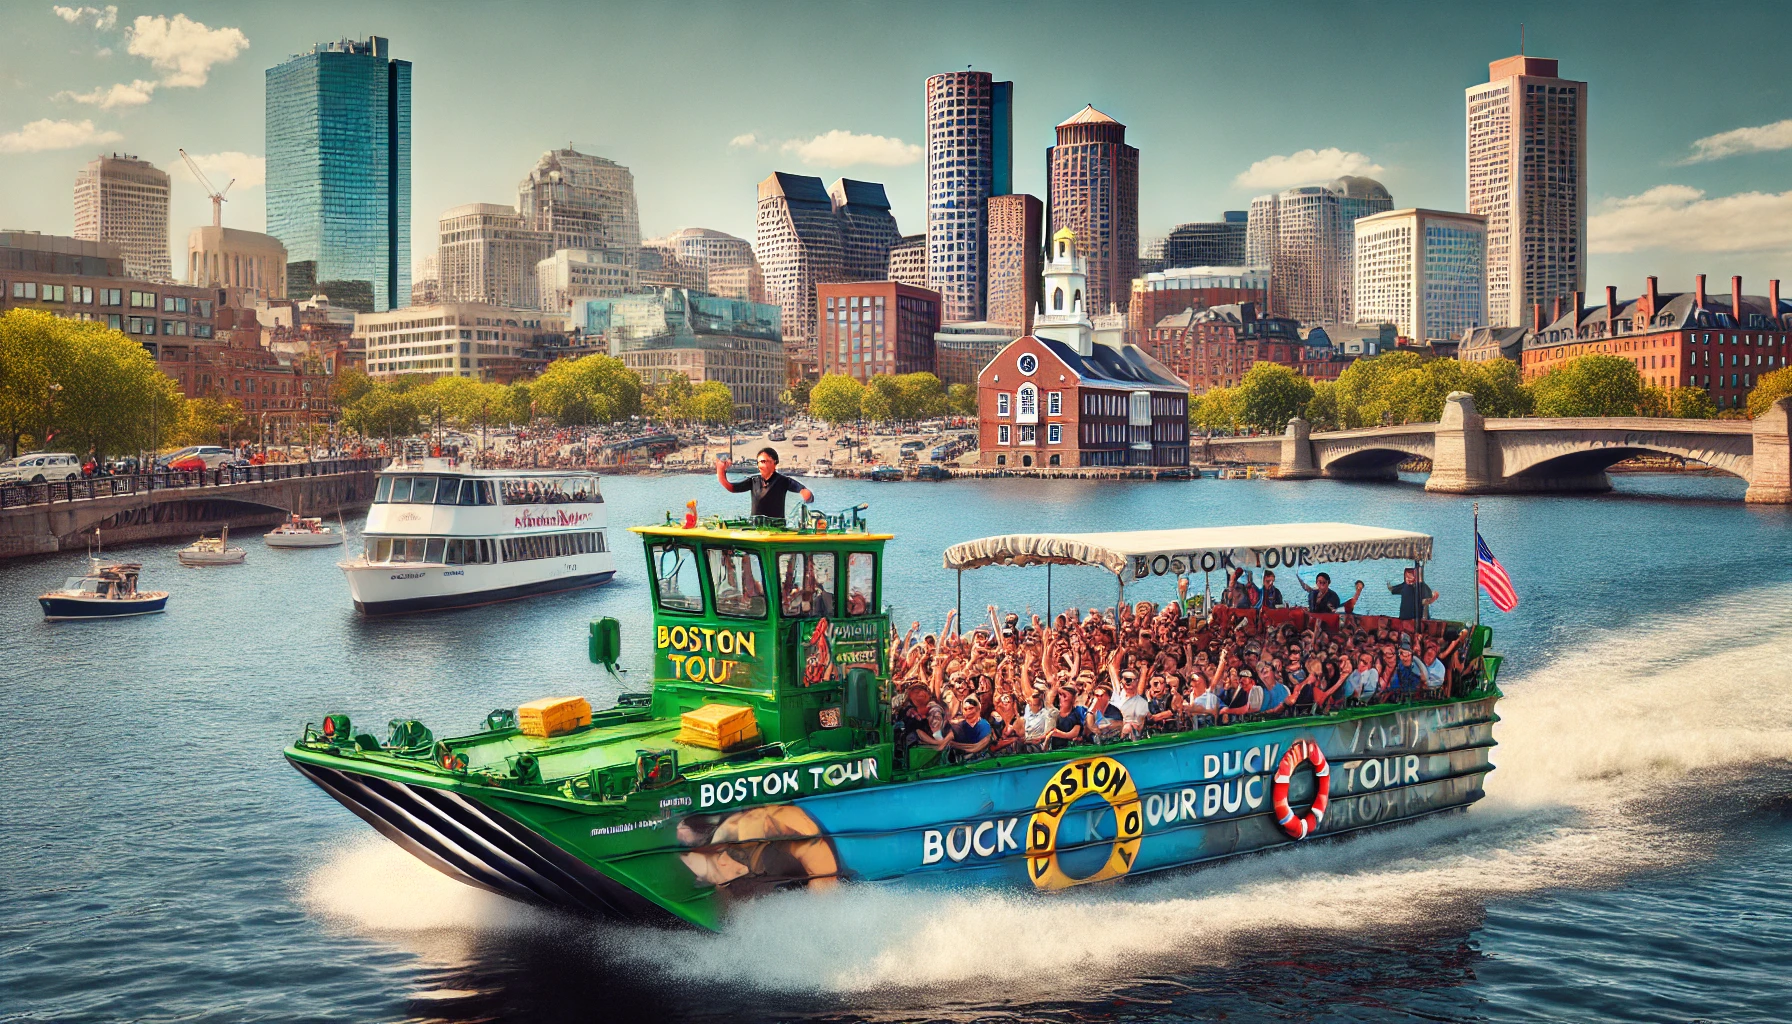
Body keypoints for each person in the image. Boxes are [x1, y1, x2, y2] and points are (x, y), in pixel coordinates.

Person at [716, 447, 813, 522]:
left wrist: (806, 494)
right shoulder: (753, 481)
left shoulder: (783, 481)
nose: (761, 465)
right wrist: (721, 473)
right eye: (759, 462)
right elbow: (732, 488)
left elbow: (803, 490)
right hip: (755, 525)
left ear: (774, 463)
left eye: (764, 462)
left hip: (776, 526)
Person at [1295, 572, 1364, 615]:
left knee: (1347, 608)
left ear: (1328, 583)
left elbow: (1332, 608)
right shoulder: (1313, 593)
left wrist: (1358, 591)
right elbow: (1306, 588)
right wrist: (1297, 576)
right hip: (1314, 617)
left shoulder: (1333, 596)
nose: (1322, 584)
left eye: (1324, 582)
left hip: (1328, 619)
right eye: (1320, 582)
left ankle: (1359, 590)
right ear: (1316, 583)